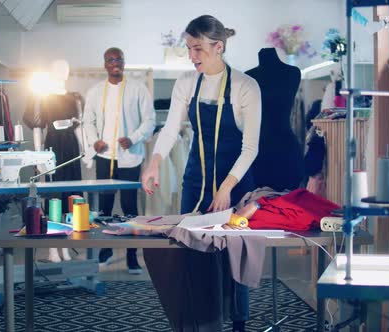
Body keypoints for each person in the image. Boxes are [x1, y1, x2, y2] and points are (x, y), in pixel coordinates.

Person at [141, 15, 261, 332]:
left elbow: (250, 149)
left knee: (232, 254)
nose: (192, 56)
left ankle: (237, 323)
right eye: (189, 49)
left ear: (218, 47)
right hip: (196, 181)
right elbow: (170, 130)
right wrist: (153, 163)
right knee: (191, 250)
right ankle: (198, 320)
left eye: (198, 49)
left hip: (234, 184)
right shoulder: (185, 83)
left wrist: (226, 188)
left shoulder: (247, 88)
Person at [83, 47, 155, 274]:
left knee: (130, 207)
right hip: (105, 157)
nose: (115, 63)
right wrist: (94, 140)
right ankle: (106, 250)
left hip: (130, 157)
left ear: (124, 62)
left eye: (119, 59)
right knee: (104, 206)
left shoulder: (138, 89)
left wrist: (133, 138)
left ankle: (132, 255)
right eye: (110, 60)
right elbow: (88, 121)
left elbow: (150, 120)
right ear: (105, 64)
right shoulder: (95, 92)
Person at [246, 48, 304, 191]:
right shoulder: (247, 78)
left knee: (287, 203)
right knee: (259, 204)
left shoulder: (293, 73)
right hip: (257, 152)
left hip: (284, 149)